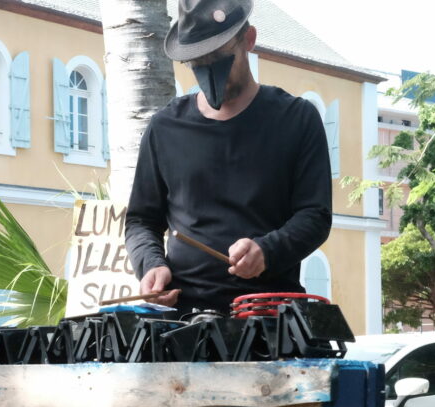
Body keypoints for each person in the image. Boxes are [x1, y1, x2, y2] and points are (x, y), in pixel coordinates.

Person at [125, 0, 333, 315]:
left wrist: (268, 250)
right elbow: (141, 220)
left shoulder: (296, 119)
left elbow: (315, 216)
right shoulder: (164, 127)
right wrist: (151, 264)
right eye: (197, 61)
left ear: (248, 40)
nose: (209, 72)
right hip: (185, 323)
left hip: (270, 317)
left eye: (219, 57)